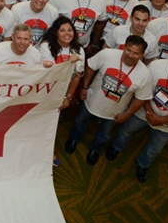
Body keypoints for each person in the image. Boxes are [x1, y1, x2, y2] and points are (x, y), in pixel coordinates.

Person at [106, 41, 168, 182]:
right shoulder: (156, 65)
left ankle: (143, 164)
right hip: (145, 110)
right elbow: (143, 90)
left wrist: (161, 120)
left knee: (155, 148)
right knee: (125, 131)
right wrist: (149, 112)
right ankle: (116, 147)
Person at [64, 35, 152, 165]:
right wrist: (85, 86)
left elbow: (140, 99)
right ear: (124, 48)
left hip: (114, 112)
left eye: (135, 53)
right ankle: (74, 139)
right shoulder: (107, 54)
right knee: (80, 121)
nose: (130, 55)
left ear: (142, 55)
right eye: (128, 50)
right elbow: (90, 66)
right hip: (92, 100)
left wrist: (126, 115)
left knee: (105, 134)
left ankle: (95, 149)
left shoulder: (145, 74)